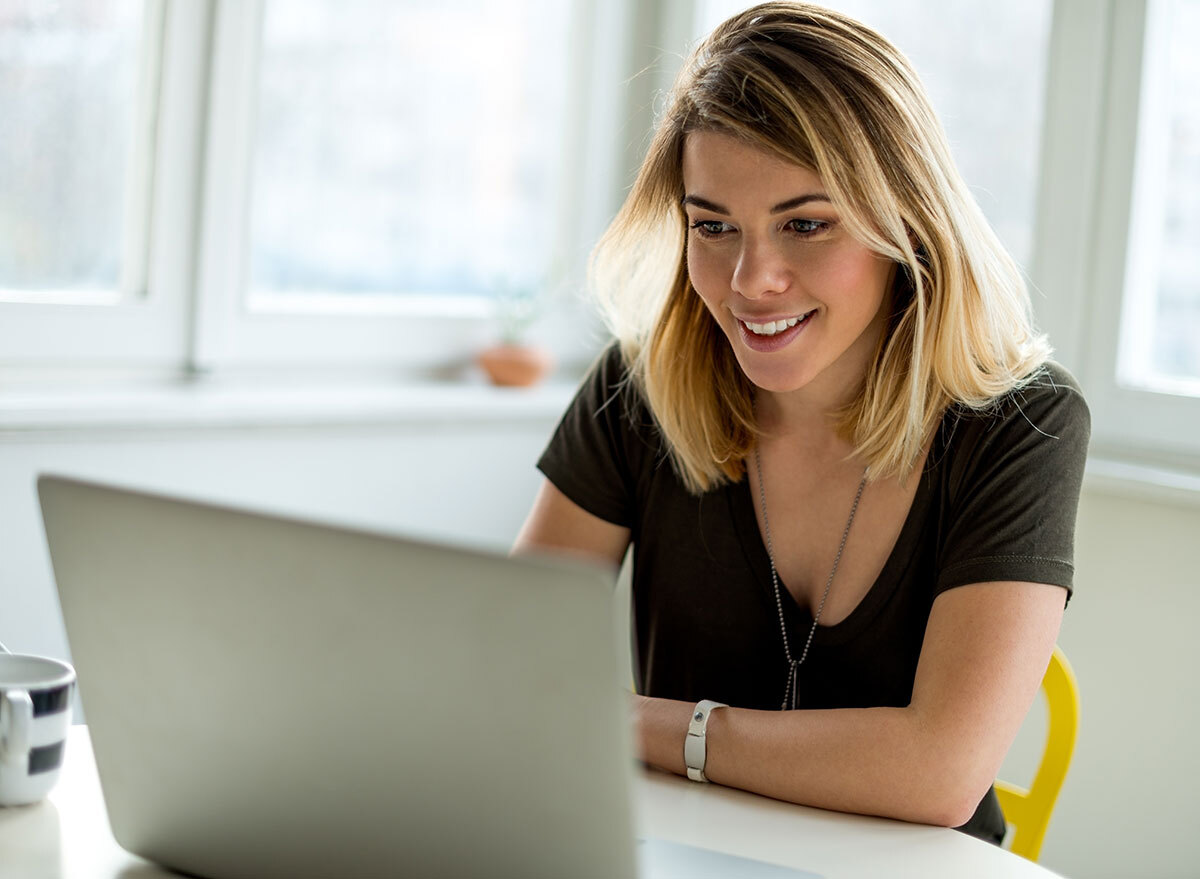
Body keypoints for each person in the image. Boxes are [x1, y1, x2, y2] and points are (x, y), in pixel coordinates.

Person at [514, 1, 1089, 844]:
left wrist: (643, 723)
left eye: (806, 224)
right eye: (714, 226)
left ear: (906, 222)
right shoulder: (638, 390)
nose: (751, 280)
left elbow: (940, 771)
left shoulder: (1022, 422)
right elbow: (510, 668)